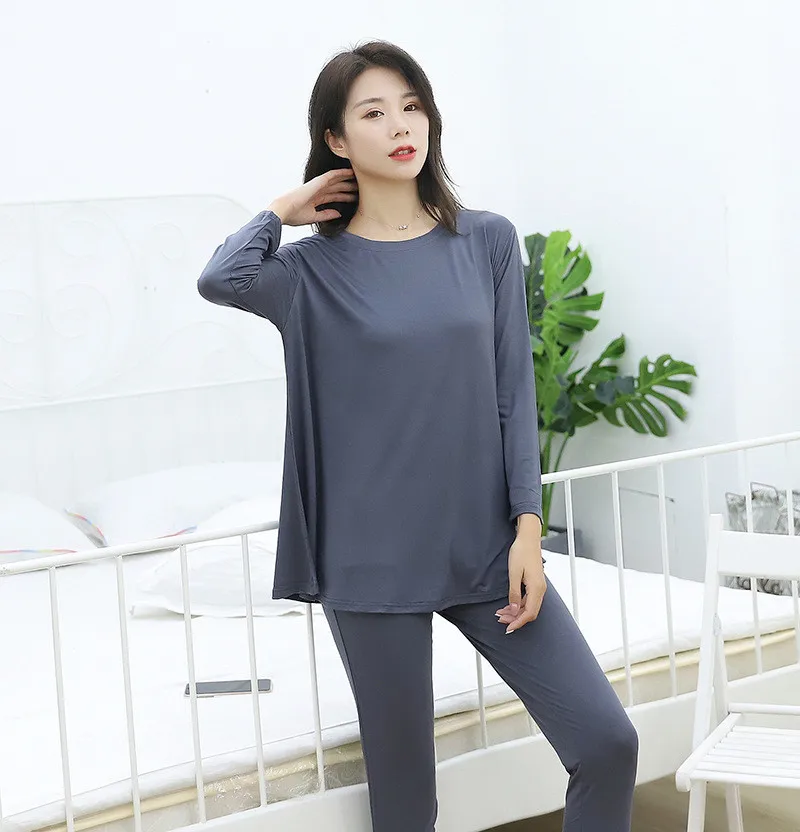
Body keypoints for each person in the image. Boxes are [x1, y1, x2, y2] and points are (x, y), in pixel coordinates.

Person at [198, 39, 638, 832]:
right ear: (336, 141)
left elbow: (513, 396)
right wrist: (280, 212)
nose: (402, 125)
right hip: (369, 560)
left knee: (607, 743)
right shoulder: (308, 273)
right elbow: (220, 280)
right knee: (406, 805)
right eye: (373, 113)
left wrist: (527, 531)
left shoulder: (486, 241)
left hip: (485, 546)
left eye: (411, 106)